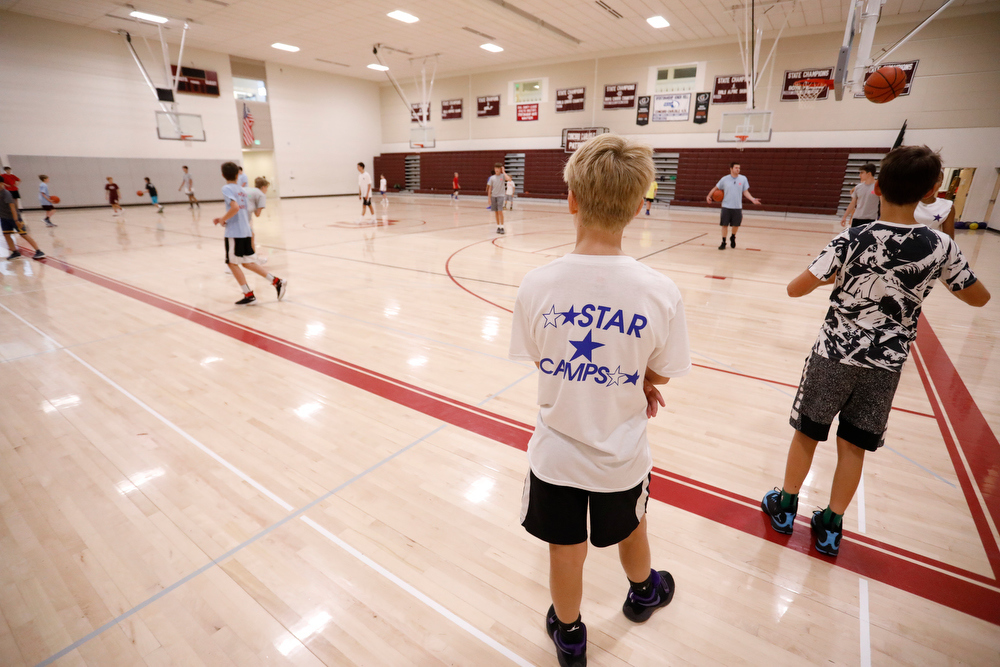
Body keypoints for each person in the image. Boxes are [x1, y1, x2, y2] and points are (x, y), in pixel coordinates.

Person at [509, 134, 690, 667]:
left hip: (556, 451)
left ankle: (569, 632)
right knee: (633, 527)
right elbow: (666, 370)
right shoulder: (659, 290)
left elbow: (543, 357)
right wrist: (638, 378)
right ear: (639, 207)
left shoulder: (536, 285)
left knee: (566, 550)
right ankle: (644, 593)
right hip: (623, 453)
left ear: (571, 199)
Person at [761, 145, 990, 558]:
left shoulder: (852, 237)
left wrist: (835, 278)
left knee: (808, 434)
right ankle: (831, 524)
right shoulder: (941, 246)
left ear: (878, 187)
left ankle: (786, 504)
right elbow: (979, 299)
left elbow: (795, 288)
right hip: (885, 364)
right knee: (854, 445)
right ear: (931, 191)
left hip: (833, 354)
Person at [212, 161, 287, 305]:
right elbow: (242, 211)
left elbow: (234, 208)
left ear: (222, 175)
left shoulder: (227, 188)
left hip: (235, 233)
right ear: (237, 174)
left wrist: (222, 219)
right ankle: (277, 282)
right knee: (247, 263)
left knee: (231, 263)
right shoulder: (241, 190)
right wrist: (229, 219)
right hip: (245, 230)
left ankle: (248, 294)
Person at [707, 162, 759, 249]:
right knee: (724, 225)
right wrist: (709, 196)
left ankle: (733, 237)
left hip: (737, 207)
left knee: (736, 225)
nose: (738, 169)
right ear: (731, 169)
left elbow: (745, 192)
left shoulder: (743, 179)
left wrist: (752, 199)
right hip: (726, 206)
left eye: (739, 168)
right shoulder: (724, 179)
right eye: (736, 168)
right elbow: (715, 188)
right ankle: (723, 242)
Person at [3, 184, 44, 260]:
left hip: (15, 218)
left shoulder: (6, 193)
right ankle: (15, 252)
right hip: (4, 218)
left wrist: (16, 220)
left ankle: (39, 251)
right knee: (6, 234)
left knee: (23, 234)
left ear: (2, 183)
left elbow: (13, 208)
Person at [913, 171, 955, 239]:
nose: (930, 183)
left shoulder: (947, 206)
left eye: (936, 180)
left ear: (941, 183)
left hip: (931, 245)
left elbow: (949, 238)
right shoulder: (906, 201)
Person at [841, 163, 879, 228]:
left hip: (870, 220)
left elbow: (883, 204)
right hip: (856, 219)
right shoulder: (858, 187)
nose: (859, 175)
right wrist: (844, 216)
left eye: (862, 173)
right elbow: (853, 203)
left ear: (869, 174)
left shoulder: (878, 187)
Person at [246, 176, 269, 264]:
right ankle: (253, 259)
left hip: (238, 213)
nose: (266, 190)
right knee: (251, 237)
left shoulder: (249, 190)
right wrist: (258, 205)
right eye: (267, 188)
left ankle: (252, 258)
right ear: (263, 187)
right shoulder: (261, 194)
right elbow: (257, 214)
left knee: (251, 236)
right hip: (245, 217)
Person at [487, 164, 506, 234]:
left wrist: (503, 172)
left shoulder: (503, 176)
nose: (497, 169)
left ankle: (502, 227)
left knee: (500, 211)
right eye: (495, 168)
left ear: (500, 169)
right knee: (496, 212)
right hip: (493, 196)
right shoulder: (492, 178)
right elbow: (489, 188)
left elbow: (508, 179)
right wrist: (489, 198)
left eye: (498, 168)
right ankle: (498, 226)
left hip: (500, 196)